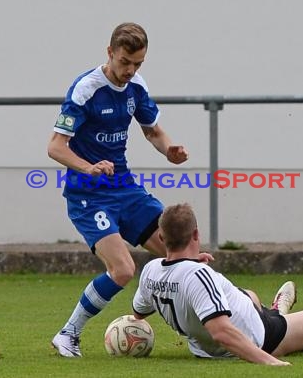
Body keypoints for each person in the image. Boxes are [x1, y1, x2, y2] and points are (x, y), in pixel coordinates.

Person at [48, 22, 212, 358]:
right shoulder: (86, 89)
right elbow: (55, 147)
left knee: (186, 258)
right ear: (110, 53)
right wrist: (88, 167)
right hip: (88, 194)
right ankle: (68, 334)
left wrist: (170, 150)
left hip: (125, 188)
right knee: (123, 269)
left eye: (137, 64)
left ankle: (207, 332)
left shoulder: (136, 85)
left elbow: (153, 131)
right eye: (125, 62)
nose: (130, 70)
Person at [132, 203, 303, 365]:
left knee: (249, 295)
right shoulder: (198, 275)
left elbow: (139, 312)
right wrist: (269, 361)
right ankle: (280, 315)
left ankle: (275, 311)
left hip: (204, 346)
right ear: (196, 234)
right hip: (261, 337)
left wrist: (187, 262)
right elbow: (222, 333)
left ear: (161, 237)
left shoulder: (151, 270)